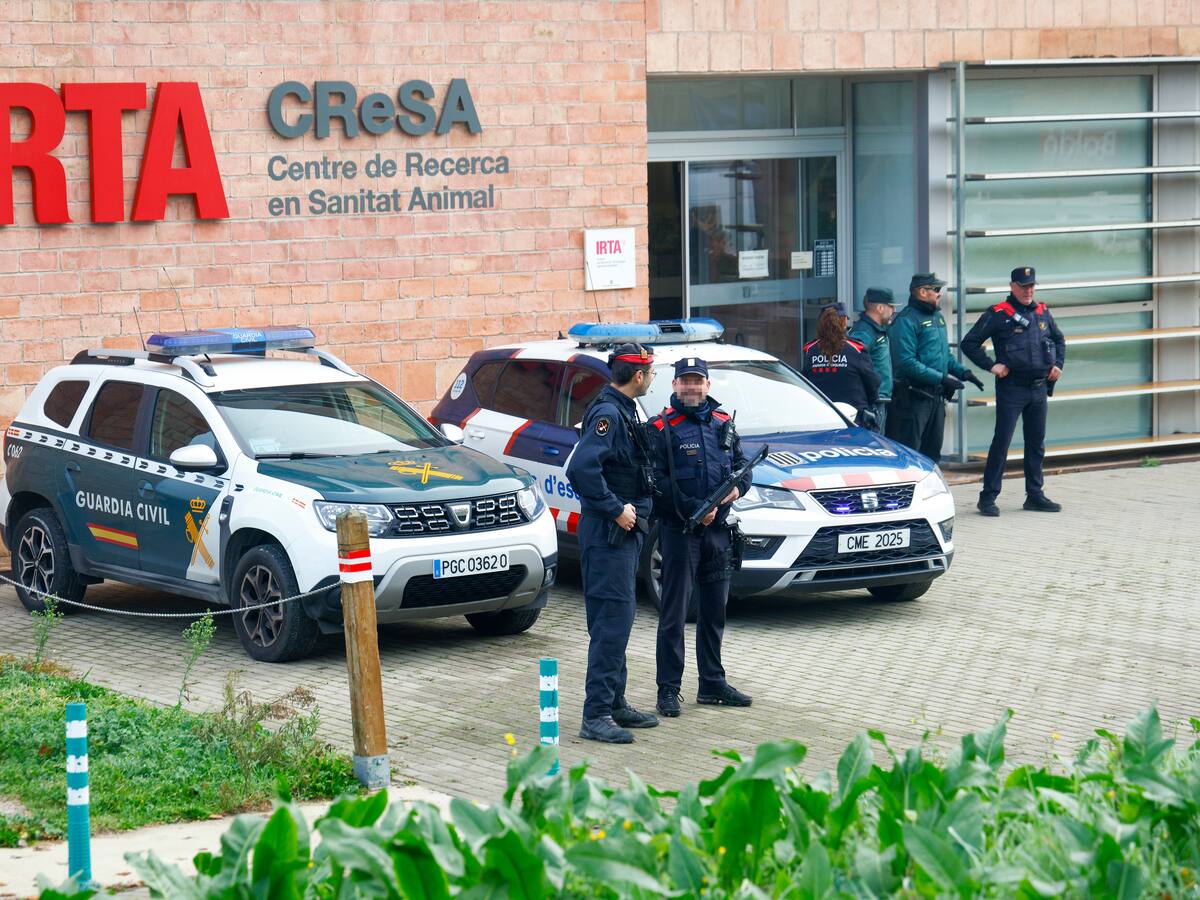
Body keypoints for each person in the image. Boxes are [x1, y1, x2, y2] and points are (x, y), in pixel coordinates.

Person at [647, 357, 754, 717]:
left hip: (719, 532)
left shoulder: (725, 423)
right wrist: (693, 507)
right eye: (685, 381)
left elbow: (742, 470)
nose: (692, 387)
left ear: (708, 385)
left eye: (698, 381)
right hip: (679, 533)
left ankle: (712, 684)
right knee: (674, 614)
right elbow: (655, 482)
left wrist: (734, 493)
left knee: (714, 612)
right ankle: (668, 689)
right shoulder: (660, 427)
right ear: (674, 385)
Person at [565, 342, 660, 744]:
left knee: (617, 622)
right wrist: (615, 508)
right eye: (651, 372)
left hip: (621, 535)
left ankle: (615, 702)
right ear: (638, 375)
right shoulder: (608, 413)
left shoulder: (622, 408)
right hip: (609, 535)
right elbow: (581, 470)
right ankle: (597, 714)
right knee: (611, 624)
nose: (652, 378)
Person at [961, 266, 1066, 517]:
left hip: (1039, 388)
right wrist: (991, 365)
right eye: (1023, 286)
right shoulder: (999, 314)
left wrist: (1058, 366)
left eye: (1031, 286)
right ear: (1012, 286)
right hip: (1012, 388)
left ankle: (1035, 495)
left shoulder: (1042, 312)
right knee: (1002, 442)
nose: (1028, 290)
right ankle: (987, 497)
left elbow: (1059, 340)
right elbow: (969, 343)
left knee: (1036, 444)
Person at [887, 273, 984, 461]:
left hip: (936, 398)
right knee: (911, 454)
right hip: (914, 398)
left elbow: (944, 356)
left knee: (932, 453)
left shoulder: (937, 317)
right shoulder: (906, 320)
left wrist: (964, 373)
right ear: (922, 292)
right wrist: (940, 378)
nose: (940, 294)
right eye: (936, 290)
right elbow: (906, 362)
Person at [801, 303, 881, 428]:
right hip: (854, 419)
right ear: (844, 321)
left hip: (821, 418)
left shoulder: (810, 350)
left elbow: (804, 383)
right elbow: (873, 382)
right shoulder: (855, 349)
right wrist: (871, 402)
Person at [848, 287, 896, 433]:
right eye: (891, 306)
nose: (894, 311)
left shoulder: (874, 329)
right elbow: (855, 362)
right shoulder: (864, 331)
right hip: (873, 402)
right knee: (875, 445)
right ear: (880, 308)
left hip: (878, 399)